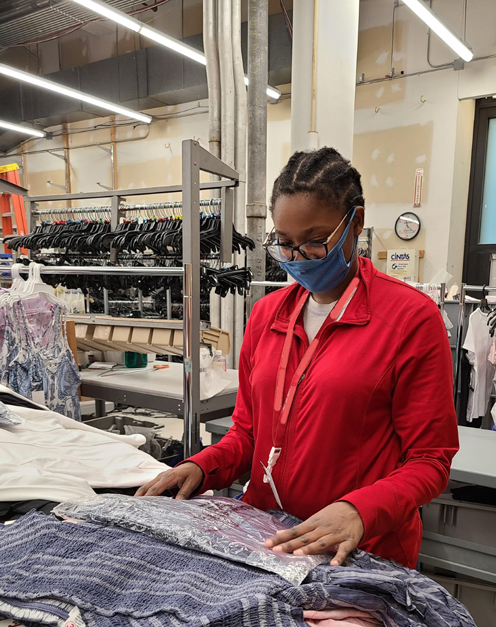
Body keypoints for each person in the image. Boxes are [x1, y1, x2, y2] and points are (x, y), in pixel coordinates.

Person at [136, 147, 459, 568]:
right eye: (284, 244)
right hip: (268, 536)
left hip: (360, 552)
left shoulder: (409, 319)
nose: (297, 258)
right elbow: (248, 435)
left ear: (356, 223)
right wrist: (201, 467)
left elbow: (430, 460)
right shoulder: (269, 315)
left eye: (314, 241)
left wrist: (360, 511)